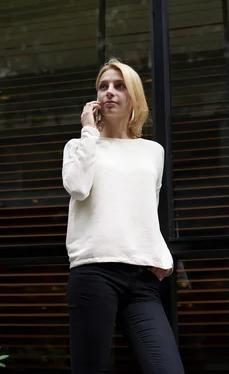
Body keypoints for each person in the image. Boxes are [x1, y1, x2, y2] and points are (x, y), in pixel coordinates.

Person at [62, 59, 184, 374]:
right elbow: (77, 187)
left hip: (142, 279)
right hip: (94, 273)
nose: (110, 92)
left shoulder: (152, 151)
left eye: (119, 86)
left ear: (134, 96)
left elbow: (146, 208)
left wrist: (161, 257)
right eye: (103, 86)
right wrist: (89, 132)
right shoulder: (79, 146)